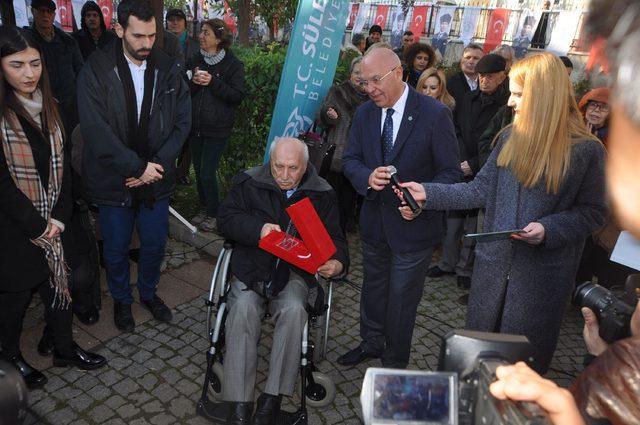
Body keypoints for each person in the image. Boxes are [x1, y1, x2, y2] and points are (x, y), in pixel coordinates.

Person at [397, 53, 608, 373]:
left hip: (541, 284)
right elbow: (478, 190)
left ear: (545, 95)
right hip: (491, 275)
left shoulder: (587, 150)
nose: (510, 101)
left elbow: (593, 213)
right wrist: (427, 192)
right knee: (475, 367)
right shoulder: (509, 137)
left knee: (519, 376)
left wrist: (548, 229)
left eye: (519, 93)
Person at [210, 137, 349, 424]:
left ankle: (272, 398)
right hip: (251, 267)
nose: (285, 176)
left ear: (305, 166)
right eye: (278, 167)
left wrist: (337, 263)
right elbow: (224, 219)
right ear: (269, 162)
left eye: (292, 169)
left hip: (294, 274)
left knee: (295, 311)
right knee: (243, 309)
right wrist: (258, 229)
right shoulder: (249, 182)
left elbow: (336, 240)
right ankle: (239, 402)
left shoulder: (321, 193)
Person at [339, 48, 461, 369]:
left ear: (398, 72)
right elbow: (350, 160)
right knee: (373, 291)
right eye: (365, 82)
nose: (370, 89)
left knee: (403, 301)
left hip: (414, 228)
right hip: (374, 225)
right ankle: (371, 342)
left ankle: (394, 362)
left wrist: (424, 200)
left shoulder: (434, 114)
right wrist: (367, 176)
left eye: (376, 80)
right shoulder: (365, 114)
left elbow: (450, 172)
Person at [0, 25, 106, 390]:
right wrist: (38, 226)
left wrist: (58, 218)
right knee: (14, 300)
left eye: (35, 63)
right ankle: (10, 358)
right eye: (17, 65)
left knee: (59, 289)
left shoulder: (51, 105)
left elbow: (63, 167)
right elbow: (2, 186)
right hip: (14, 230)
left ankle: (63, 347)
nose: (29, 74)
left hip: (52, 223)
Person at [77, 0, 191, 333]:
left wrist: (156, 165)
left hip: (156, 177)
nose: (146, 44)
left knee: (155, 244)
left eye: (152, 35)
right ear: (119, 29)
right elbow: (95, 131)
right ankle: (122, 301)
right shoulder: (95, 69)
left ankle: (149, 293)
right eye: (138, 36)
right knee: (114, 248)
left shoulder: (168, 67)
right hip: (115, 179)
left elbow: (183, 122)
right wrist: (135, 167)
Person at [427, 54, 509, 291]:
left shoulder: (506, 106)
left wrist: (474, 163)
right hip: (460, 164)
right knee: (453, 220)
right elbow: (456, 130)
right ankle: (447, 262)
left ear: (502, 77)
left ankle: (465, 268)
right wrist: (460, 159)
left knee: (473, 225)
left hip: (485, 169)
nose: (485, 80)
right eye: (482, 76)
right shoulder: (467, 98)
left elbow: (498, 142)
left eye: (490, 76)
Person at [187, 18, 246, 232]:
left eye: (206, 33)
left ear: (219, 39)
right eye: (201, 32)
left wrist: (213, 82)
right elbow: (183, 90)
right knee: (199, 169)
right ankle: (204, 207)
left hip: (218, 127)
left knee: (207, 172)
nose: (201, 36)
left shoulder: (232, 64)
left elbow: (237, 95)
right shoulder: (194, 59)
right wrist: (192, 82)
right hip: (196, 125)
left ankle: (214, 213)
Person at [317, 57, 369, 233]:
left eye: (364, 73)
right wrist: (329, 115)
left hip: (359, 158)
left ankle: (343, 230)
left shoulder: (374, 97)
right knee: (331, 195)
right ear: (350, 74)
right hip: (336, 155)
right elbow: (321, 118)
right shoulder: (337, 92)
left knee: (349, 198)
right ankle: (326, 229)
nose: (360, 77)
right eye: (357, 72)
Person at [27, 0, 83, 137]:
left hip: (71, 101)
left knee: (73, 137)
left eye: (49, 12)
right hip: (41, 102)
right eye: (41, 11)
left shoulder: (67, 40)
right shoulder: (27, 41)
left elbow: (80, 68)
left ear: (54, 15)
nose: (45, 15)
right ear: (33, 12)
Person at [166, 8, 199, 186]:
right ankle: (168, 175)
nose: (174, 22)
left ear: (185, 23)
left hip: (192, 95)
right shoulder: (161, 42)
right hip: (168, 97)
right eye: (170, 19)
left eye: (178, 19)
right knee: (169, 136)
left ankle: (182, 172)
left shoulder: (194, 44)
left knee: (189, 135)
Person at [447, 43, 484, 107]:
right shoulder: (450, 82)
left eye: (475, 58)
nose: (471, 61)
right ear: (461, 60)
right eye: (468, 57)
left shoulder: (486, 82)